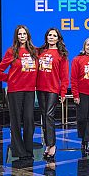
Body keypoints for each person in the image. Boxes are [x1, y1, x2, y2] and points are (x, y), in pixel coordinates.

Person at [0, 25, 39, 161]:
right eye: (19, 34)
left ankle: (28, 149)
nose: (22, 36)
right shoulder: (11, 51)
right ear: (16, 37)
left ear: (28, 35)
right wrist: (9, 78)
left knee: (29, 119)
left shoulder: (34, 51)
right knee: (15, 120)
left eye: (24, 34)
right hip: (15, 90)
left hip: (29, 90)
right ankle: (18, 150)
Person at [36, 28, 69, 159]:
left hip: (53, 89)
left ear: (58, 38)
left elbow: (65, 76)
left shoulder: (62, 54)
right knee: (44, 116)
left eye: (54, 35)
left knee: (49, 115)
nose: (51, 37)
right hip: (40, 88)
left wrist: (63, 92)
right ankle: (48, 145)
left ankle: (52, 144)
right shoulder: (40, 52)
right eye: (49, 35)